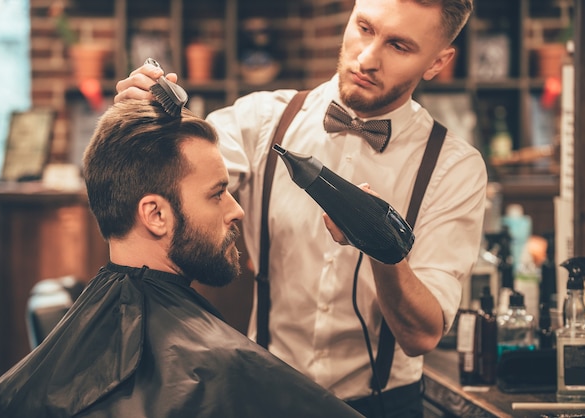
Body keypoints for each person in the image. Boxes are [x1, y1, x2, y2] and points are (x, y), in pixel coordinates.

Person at [115, 0, 486, 416]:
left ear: (437, 62)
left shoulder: (454, 167)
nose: (367, 58)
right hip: (263, 397)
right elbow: (168, 185)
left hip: (382, 406)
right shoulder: (261, 120)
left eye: (399, 46)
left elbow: (422, 336)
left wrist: (385, 248)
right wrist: (143, 121)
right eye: (364, 27)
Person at [0, 99, 362, 418]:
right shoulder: (220, 368)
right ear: (156, 215)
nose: (236, 210)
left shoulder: (6, 395)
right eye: (217, 193)